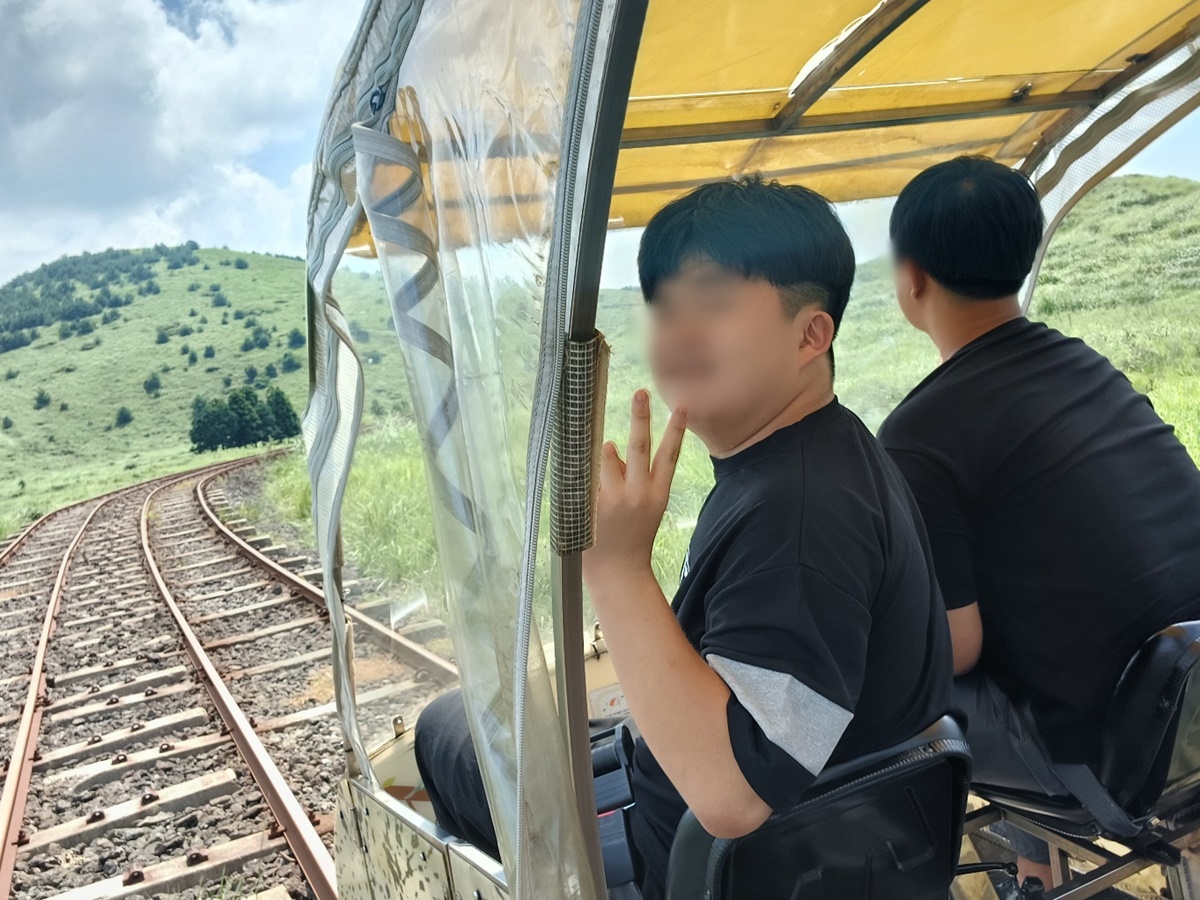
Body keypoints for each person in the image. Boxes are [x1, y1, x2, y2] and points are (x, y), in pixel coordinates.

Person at [415, 175, 955, 900]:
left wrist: (616, 568)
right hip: (837, 844)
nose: (678, 332)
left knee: (444, 729)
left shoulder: (797, 515)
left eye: (715, 302)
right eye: (664, 307)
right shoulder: (828, 452)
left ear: (809, 335)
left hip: (696, 867)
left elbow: (733, 797)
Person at [877, 155, 1200, 894]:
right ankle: (1032, 869)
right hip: (1186, 699)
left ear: (912, 277)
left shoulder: (918, 435)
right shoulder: (1084, 366)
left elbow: (955, 648)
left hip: (1123, 758)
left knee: (882, 690)